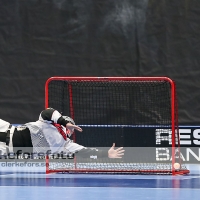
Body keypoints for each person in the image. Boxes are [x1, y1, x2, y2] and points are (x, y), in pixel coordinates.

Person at [0, 108, 125, 159]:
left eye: (72, 129)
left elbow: (85, 151)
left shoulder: (65, 144)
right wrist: (64, 122)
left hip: (5, 150)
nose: (71, 130)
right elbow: (48, 112)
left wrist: (106, 154)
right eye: (71, 126)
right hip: (5, 130)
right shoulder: (48, 122)